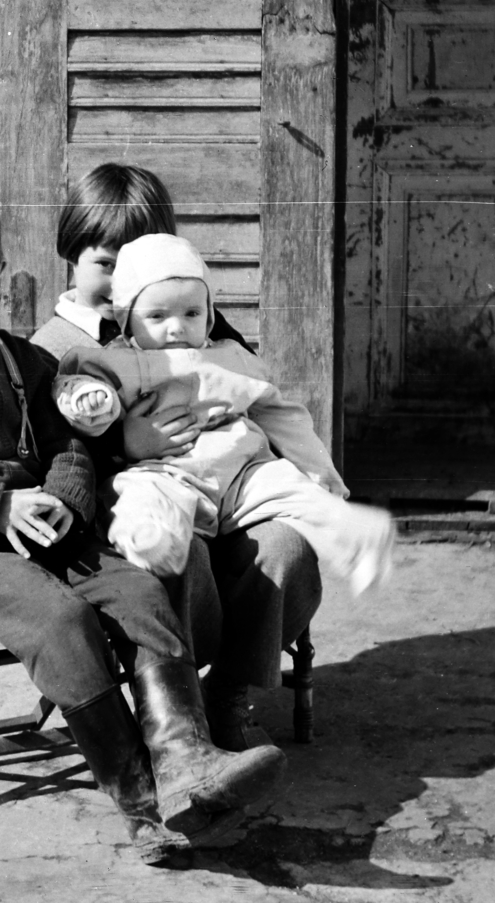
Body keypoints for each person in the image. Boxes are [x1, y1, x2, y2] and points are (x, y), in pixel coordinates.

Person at [0, 176, 284, 863]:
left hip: (48, 530)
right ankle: (143, 809)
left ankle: (185, 761)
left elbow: (69, 445)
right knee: (64, 623)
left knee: (139, 588)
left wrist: (66, 497)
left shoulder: (25, 359)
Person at [30, 164, 327, 752]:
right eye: (106, 264)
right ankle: (177, 706)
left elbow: (253, 391)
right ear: (72, 254)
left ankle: (230, 694)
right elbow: (47, 451)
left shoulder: (197, 325)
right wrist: (121, 444)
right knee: (176, 549)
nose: (125, 280)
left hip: (226, 497)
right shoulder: (54, 348)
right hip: (131, 520)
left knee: (288, 546)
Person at [52, 233, 395, 594]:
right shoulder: (114, 359)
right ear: (127, 320)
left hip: (243, 471)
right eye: (156, 315)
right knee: (137, 493)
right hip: (170, 472)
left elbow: (280, 413)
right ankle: (153, 540)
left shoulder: (231, 355)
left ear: (209, 314)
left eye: (192, 313)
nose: (177, 327)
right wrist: (91, 400)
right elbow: (74, 386)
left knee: (293, 490)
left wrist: (319, 474)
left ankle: (355, 536)